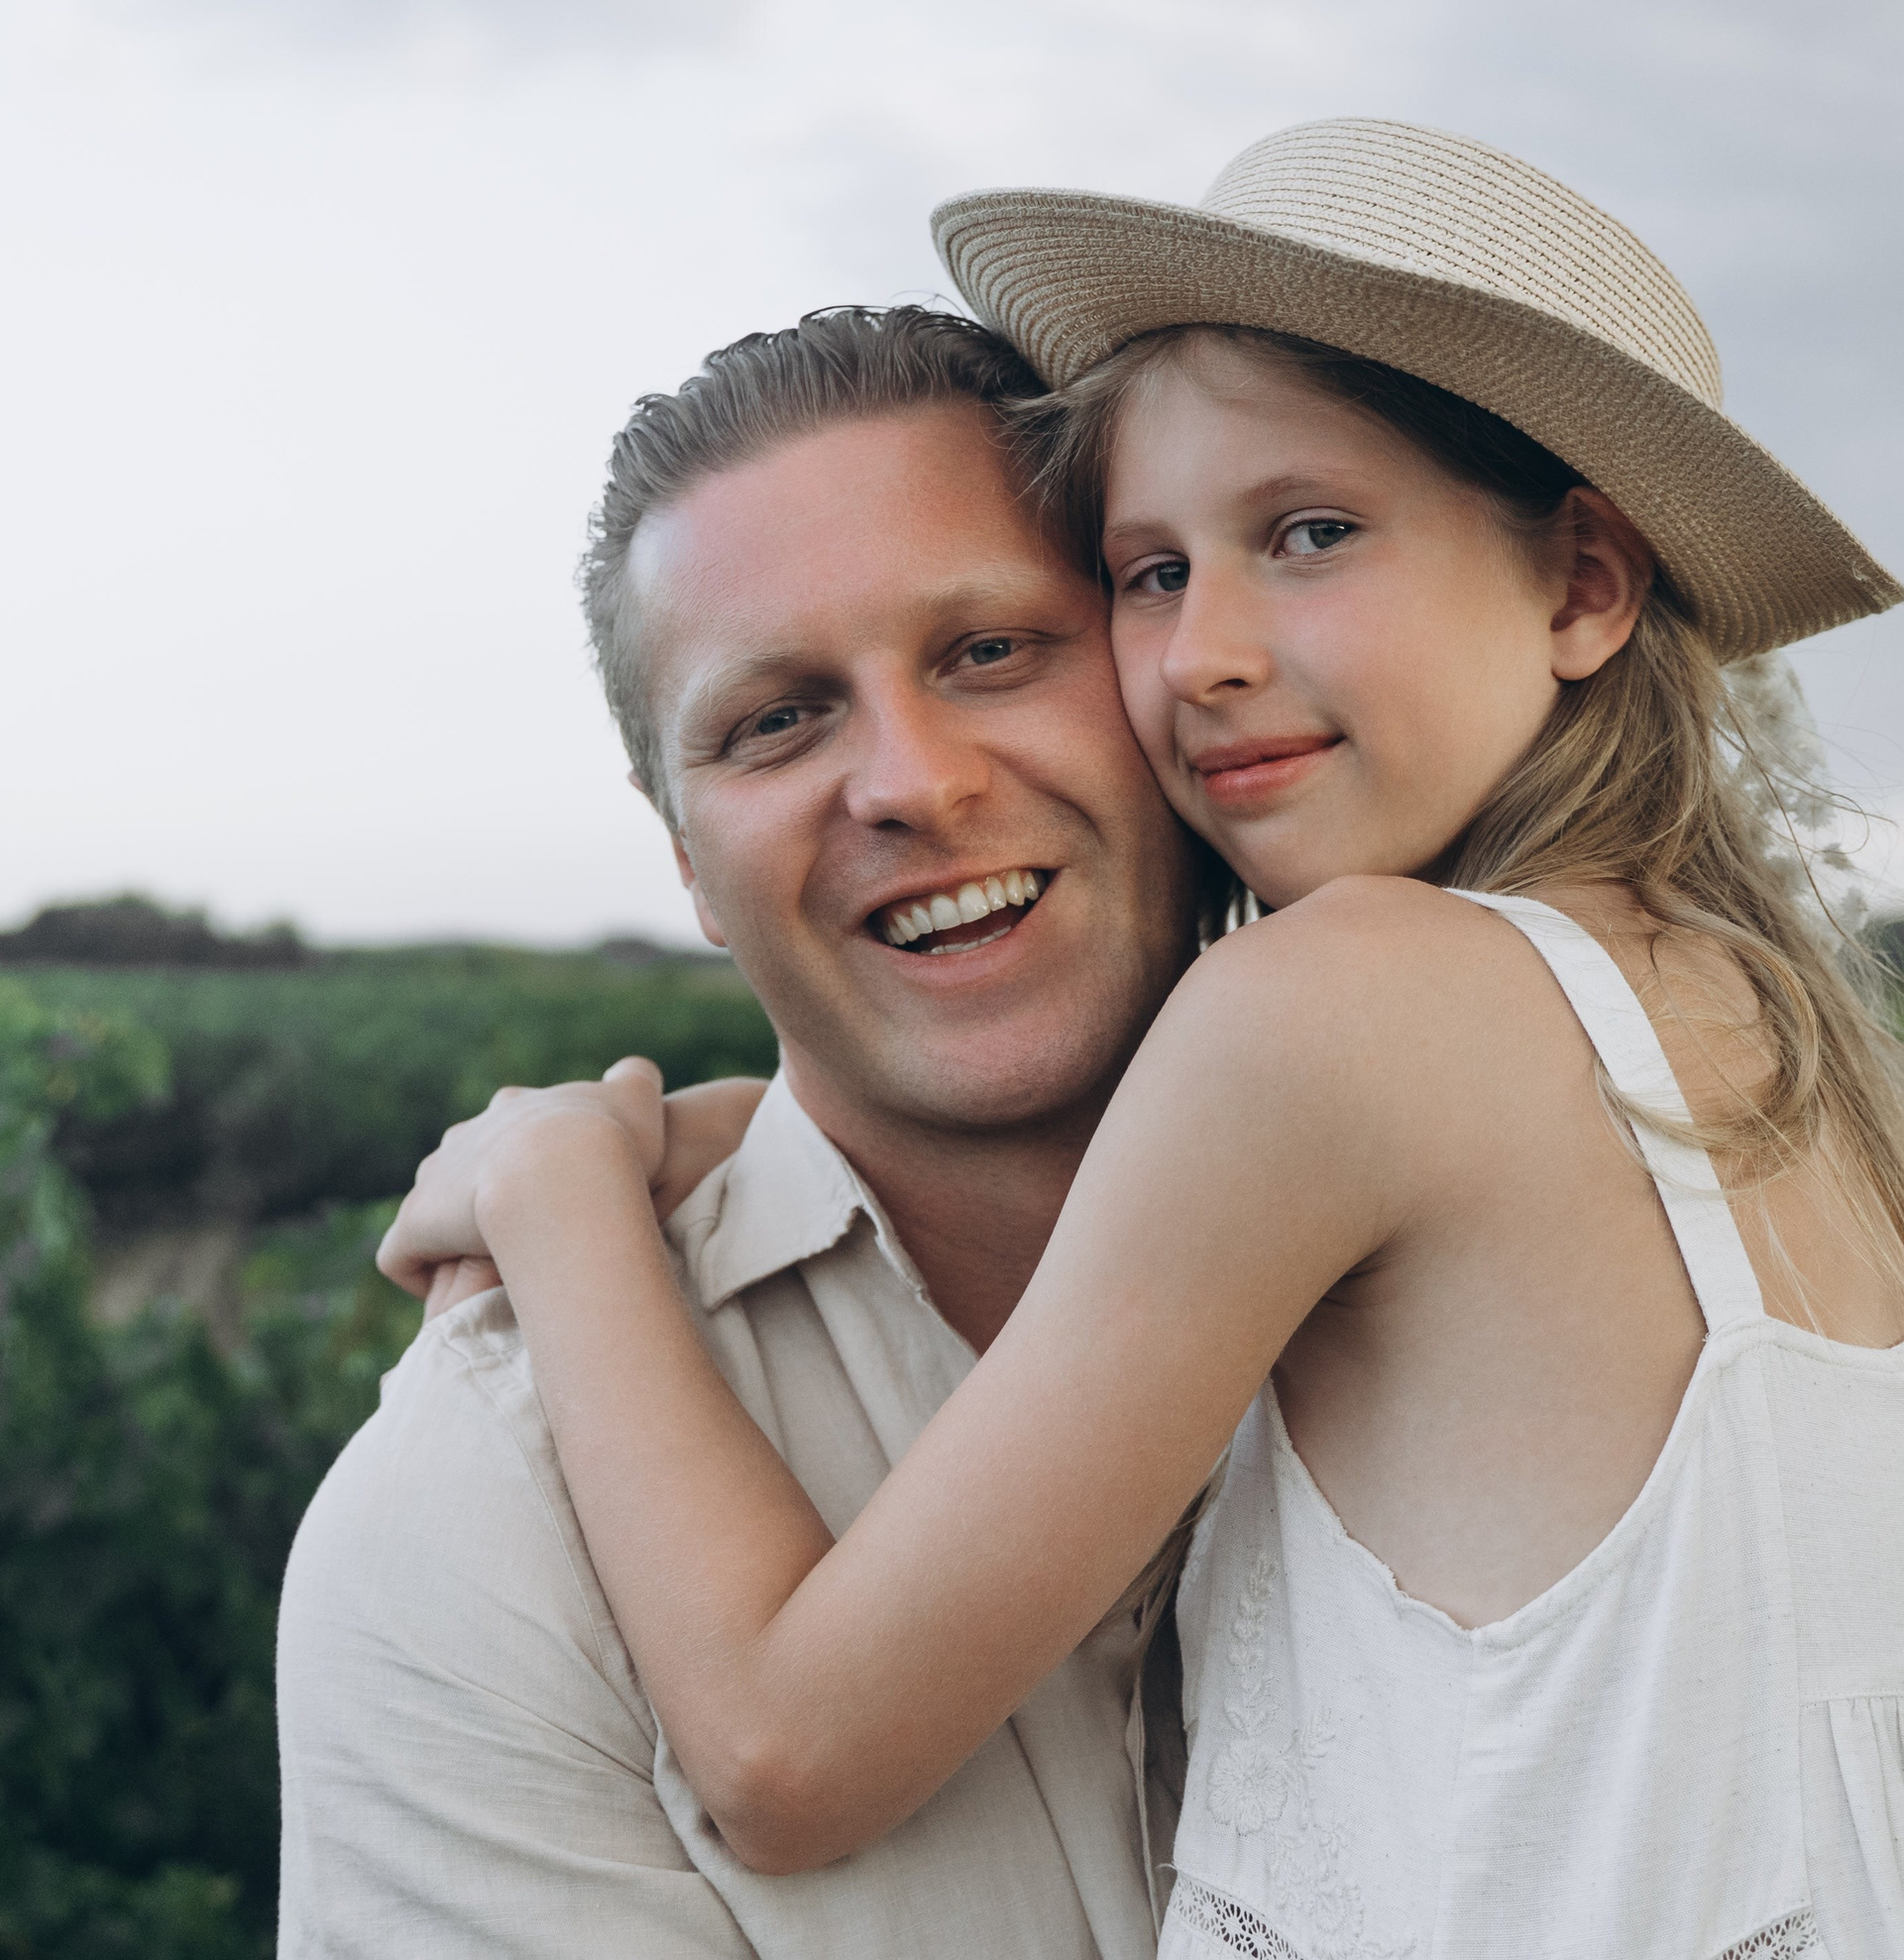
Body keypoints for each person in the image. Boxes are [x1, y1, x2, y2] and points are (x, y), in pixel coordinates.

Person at [383, 122, 1904, 1958]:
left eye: (1308, 535)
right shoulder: (1745, 1010)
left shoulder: (1335, 1008)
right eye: (1147, 569)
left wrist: (563, 1184)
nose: (1202, 654)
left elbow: (782, 1747)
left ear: (1584, 585)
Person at [276, 306, 1215, 1958]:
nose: (912, 783)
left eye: (991, 648)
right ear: (686, 862)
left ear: (1172, 673)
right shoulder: (477, 1523)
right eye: (777, 717)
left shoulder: (1542, 1269)